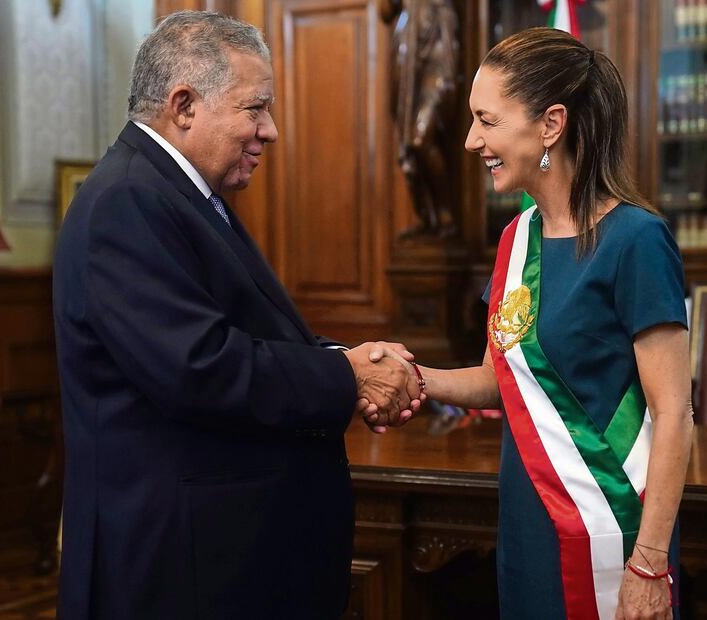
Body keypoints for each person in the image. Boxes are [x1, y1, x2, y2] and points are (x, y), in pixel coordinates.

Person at [52, 11, 426, 619]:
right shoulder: (126, 201)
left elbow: (246, 336)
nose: (270, 130)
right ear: (183, 105)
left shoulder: (176, 194)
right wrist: (351, 376)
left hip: (215, 560)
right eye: (255, 108)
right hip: (179, 571)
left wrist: (344, 360)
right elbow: (200, 367)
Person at [410, 28, 692, 620]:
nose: (470, 141)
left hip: (616, 533)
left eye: (486, 121)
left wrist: (650, 563)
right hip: (529, 522)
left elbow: (674, 414)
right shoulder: (516, 241)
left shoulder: (636, 240)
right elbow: (499, 379)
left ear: (550, 124)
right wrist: (408, 375)